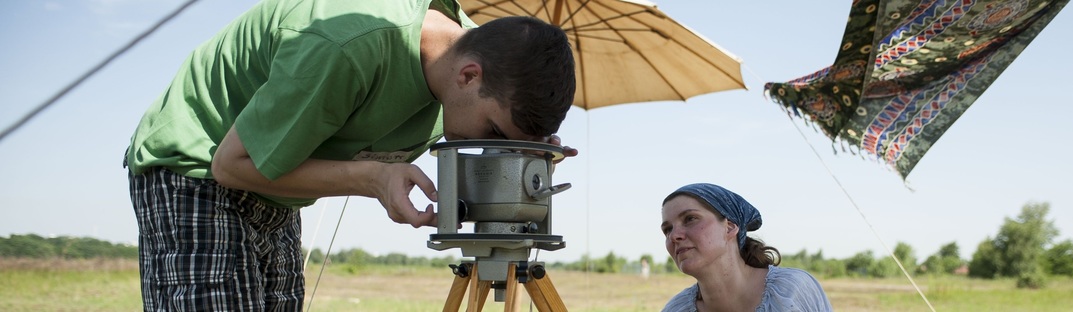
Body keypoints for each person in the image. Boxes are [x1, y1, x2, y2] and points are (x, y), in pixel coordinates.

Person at [124, 0, 576, 310]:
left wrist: (526, 147)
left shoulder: (475, 59)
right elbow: (231, 165)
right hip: (198, 167)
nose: (490, 143)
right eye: (494, 132)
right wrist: (371, 179)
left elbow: (275, 165)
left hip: (275, 186)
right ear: (468, 76)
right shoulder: (349, 47)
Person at [660, 183, 832, 312]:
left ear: (729, 227)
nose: (674, 236)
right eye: (668, 229)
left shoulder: (791, 292)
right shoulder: (676, 309)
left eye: (690, 218)